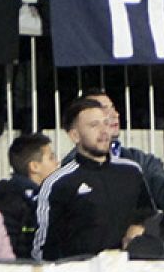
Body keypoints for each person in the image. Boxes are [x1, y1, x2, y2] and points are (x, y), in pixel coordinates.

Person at [31, 97, 145, 260]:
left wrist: (138, 228)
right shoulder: (58, 183)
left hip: (130, 271)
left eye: (106, 123)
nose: (104, 131)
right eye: (94, 125)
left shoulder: (132, 171)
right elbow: (42, 247)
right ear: (75, 135)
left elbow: (149, 217)